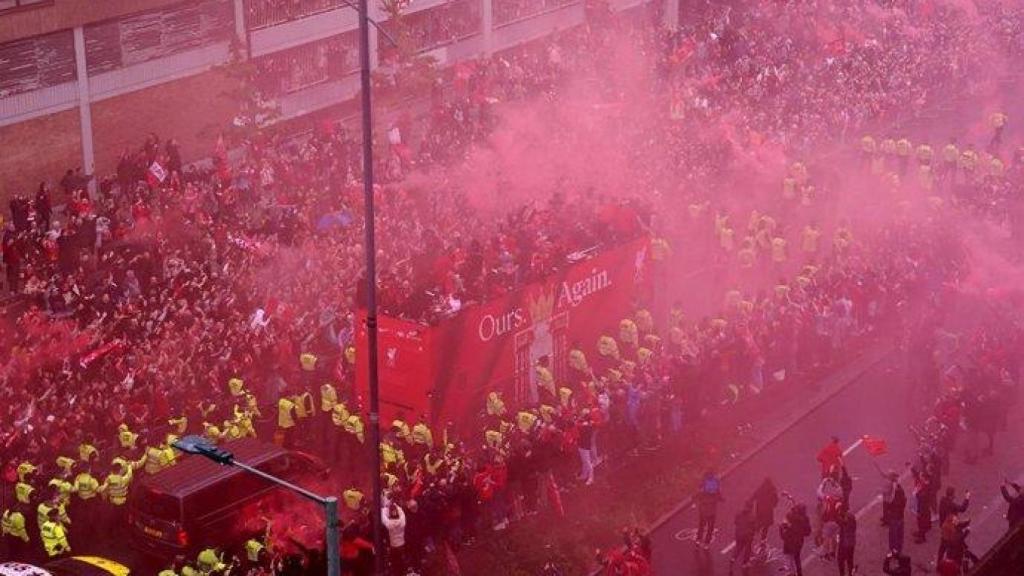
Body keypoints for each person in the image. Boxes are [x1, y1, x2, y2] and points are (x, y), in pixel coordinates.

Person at [937, 487, 970, 566]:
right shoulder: (951, 505)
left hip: (944, 526)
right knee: (956, 544)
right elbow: (962, 509)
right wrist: (967, 498)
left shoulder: (943, 501)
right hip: (951, 529)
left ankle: (939, 562)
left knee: (942, 546)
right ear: (952, 495)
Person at [695, 470, 724, 550]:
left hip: (703, 510)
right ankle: (706, 544)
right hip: (712, 511)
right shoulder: (716, 482)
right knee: (710, 528)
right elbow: (719, 494)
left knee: (701, 525)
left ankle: (698, 540)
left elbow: (698, 493)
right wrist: (721, 499)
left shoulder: (703, 482)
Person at [780, 504, 811, 576]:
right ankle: (799, 573)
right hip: (799, 542)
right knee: (797, 557)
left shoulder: (790, 516)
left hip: (789, 540)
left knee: (788, 555)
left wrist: (783, 534)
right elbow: (808, 532)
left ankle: (791, 572)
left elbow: (783, 526)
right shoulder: (805, 519)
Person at [750, 477, 779, 551]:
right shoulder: (773, 490)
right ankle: (763, 540)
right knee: (766, 525)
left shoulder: (761, 488)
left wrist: (750, 502)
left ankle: (753, 534)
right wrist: (773, 505)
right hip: (768, 511)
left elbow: (754, 496)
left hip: (759, 509)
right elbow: (776, 500)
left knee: (759, 522)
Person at [382, 502, 407, 576]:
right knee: (402, 561)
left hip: (393, 546)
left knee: (395, 562)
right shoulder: (402, 522)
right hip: (402, 544)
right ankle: (403, 572)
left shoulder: (389, 524)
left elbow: (382, 514)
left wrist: (387, 507)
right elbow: (402, 512)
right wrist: (396, 506)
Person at [731, 502, 756, 570]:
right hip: (747, 535)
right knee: (747, 548)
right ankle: (745, 563)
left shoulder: (738, 513)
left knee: (738, 547)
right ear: (751, 508)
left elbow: (735, 522)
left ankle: (733, 558)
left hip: (738, 533)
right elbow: (754, 527)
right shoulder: (752, 516)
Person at [836, 506, 857, 576]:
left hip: (845, 544)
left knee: (840, 560)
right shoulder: (851, 517)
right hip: (852, 543)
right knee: (850, 560)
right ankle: (850, 574)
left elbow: (841, 522)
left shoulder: (845, 520)